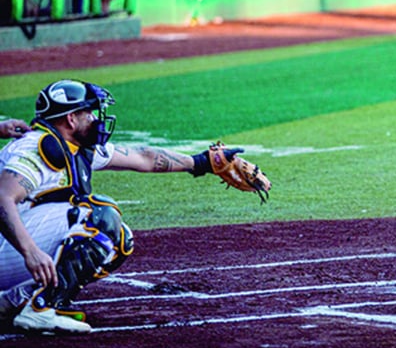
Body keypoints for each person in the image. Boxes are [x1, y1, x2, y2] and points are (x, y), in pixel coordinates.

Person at [0, 79, 265, 334]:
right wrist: (31, 251)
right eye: (89, 113)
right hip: (9, 246)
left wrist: (202, 162)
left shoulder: (75, 146)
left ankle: (14, 300)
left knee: (119, 240)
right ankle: (42, 308)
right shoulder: (37, 149)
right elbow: (2, 197)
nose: (96, 119)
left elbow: (143, 158)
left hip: (11, 249)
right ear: (71, 119)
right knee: (100, 216)